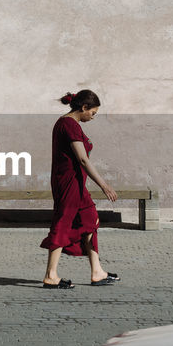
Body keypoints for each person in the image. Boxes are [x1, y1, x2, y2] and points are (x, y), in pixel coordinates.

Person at [40, 90, 118, 288]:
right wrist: (104, 185)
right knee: (63, 223)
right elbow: (82, 159)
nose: (93, 117)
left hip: (77, 184)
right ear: (84, 108)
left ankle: (97, 271)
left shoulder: (69, 124)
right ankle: (51, 275)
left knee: (90, 221)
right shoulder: (68, 125)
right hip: (69, 183)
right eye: (92, 113)